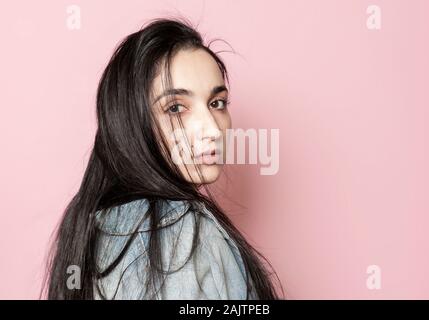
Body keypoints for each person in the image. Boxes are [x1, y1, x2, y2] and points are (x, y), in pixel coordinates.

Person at [43, 16, 283, 300]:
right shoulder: (178, 231)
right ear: (131, 122)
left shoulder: (92, 225)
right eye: (175, 108)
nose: (212, 128)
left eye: (217, 103)